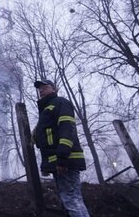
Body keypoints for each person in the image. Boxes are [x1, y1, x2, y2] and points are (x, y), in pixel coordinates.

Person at [33, 79, 90, 217]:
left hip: (66, 160)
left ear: (54, 89)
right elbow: (47, 138)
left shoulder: (60, 103)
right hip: (60, 160)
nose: (41, 90)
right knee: (71, 198)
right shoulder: (47, 110)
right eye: (39, 88)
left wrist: (62, 158)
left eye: (45, 87)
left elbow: (67, 129)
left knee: (71, 199)